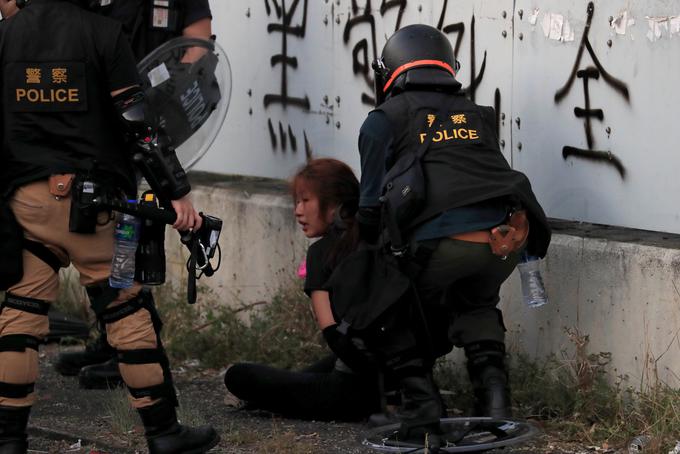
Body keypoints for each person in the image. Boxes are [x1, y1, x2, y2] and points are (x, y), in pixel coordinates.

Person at [0, 0, 219, 452]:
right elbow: (138, 124)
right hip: (94, 208)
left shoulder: (5, 35)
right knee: (126, 309)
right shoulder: (102, 33)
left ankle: (9, 440)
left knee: (20, 314)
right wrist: (176, 191)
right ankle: (163, 433)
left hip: (27, 204)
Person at [355, 24, 551, 445]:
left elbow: (369, 211)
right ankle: (496, 409)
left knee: (390, 303)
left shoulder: (382, 121)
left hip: (440, 244)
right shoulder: (478, 115)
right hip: (503, 244)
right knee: (477, 303)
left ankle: (421, 415)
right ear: (447, 66)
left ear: (389, 70)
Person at [53, 0, 213, 390]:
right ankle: (111, 340)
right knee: (107, 232)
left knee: (127, 235)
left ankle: (134, 348)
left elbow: (200, 42)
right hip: (103, 124)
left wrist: (170, 91)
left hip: (151, 125)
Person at [224, 158, 383, 422]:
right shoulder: (378, 236)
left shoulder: (321, 253)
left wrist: (374, 384)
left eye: (305, 201)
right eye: (296, 202)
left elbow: (333, 334)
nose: (298, 211)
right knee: (313, 371)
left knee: (238, 376)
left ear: (333, 204)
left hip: (351, 392)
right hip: (401, 378)